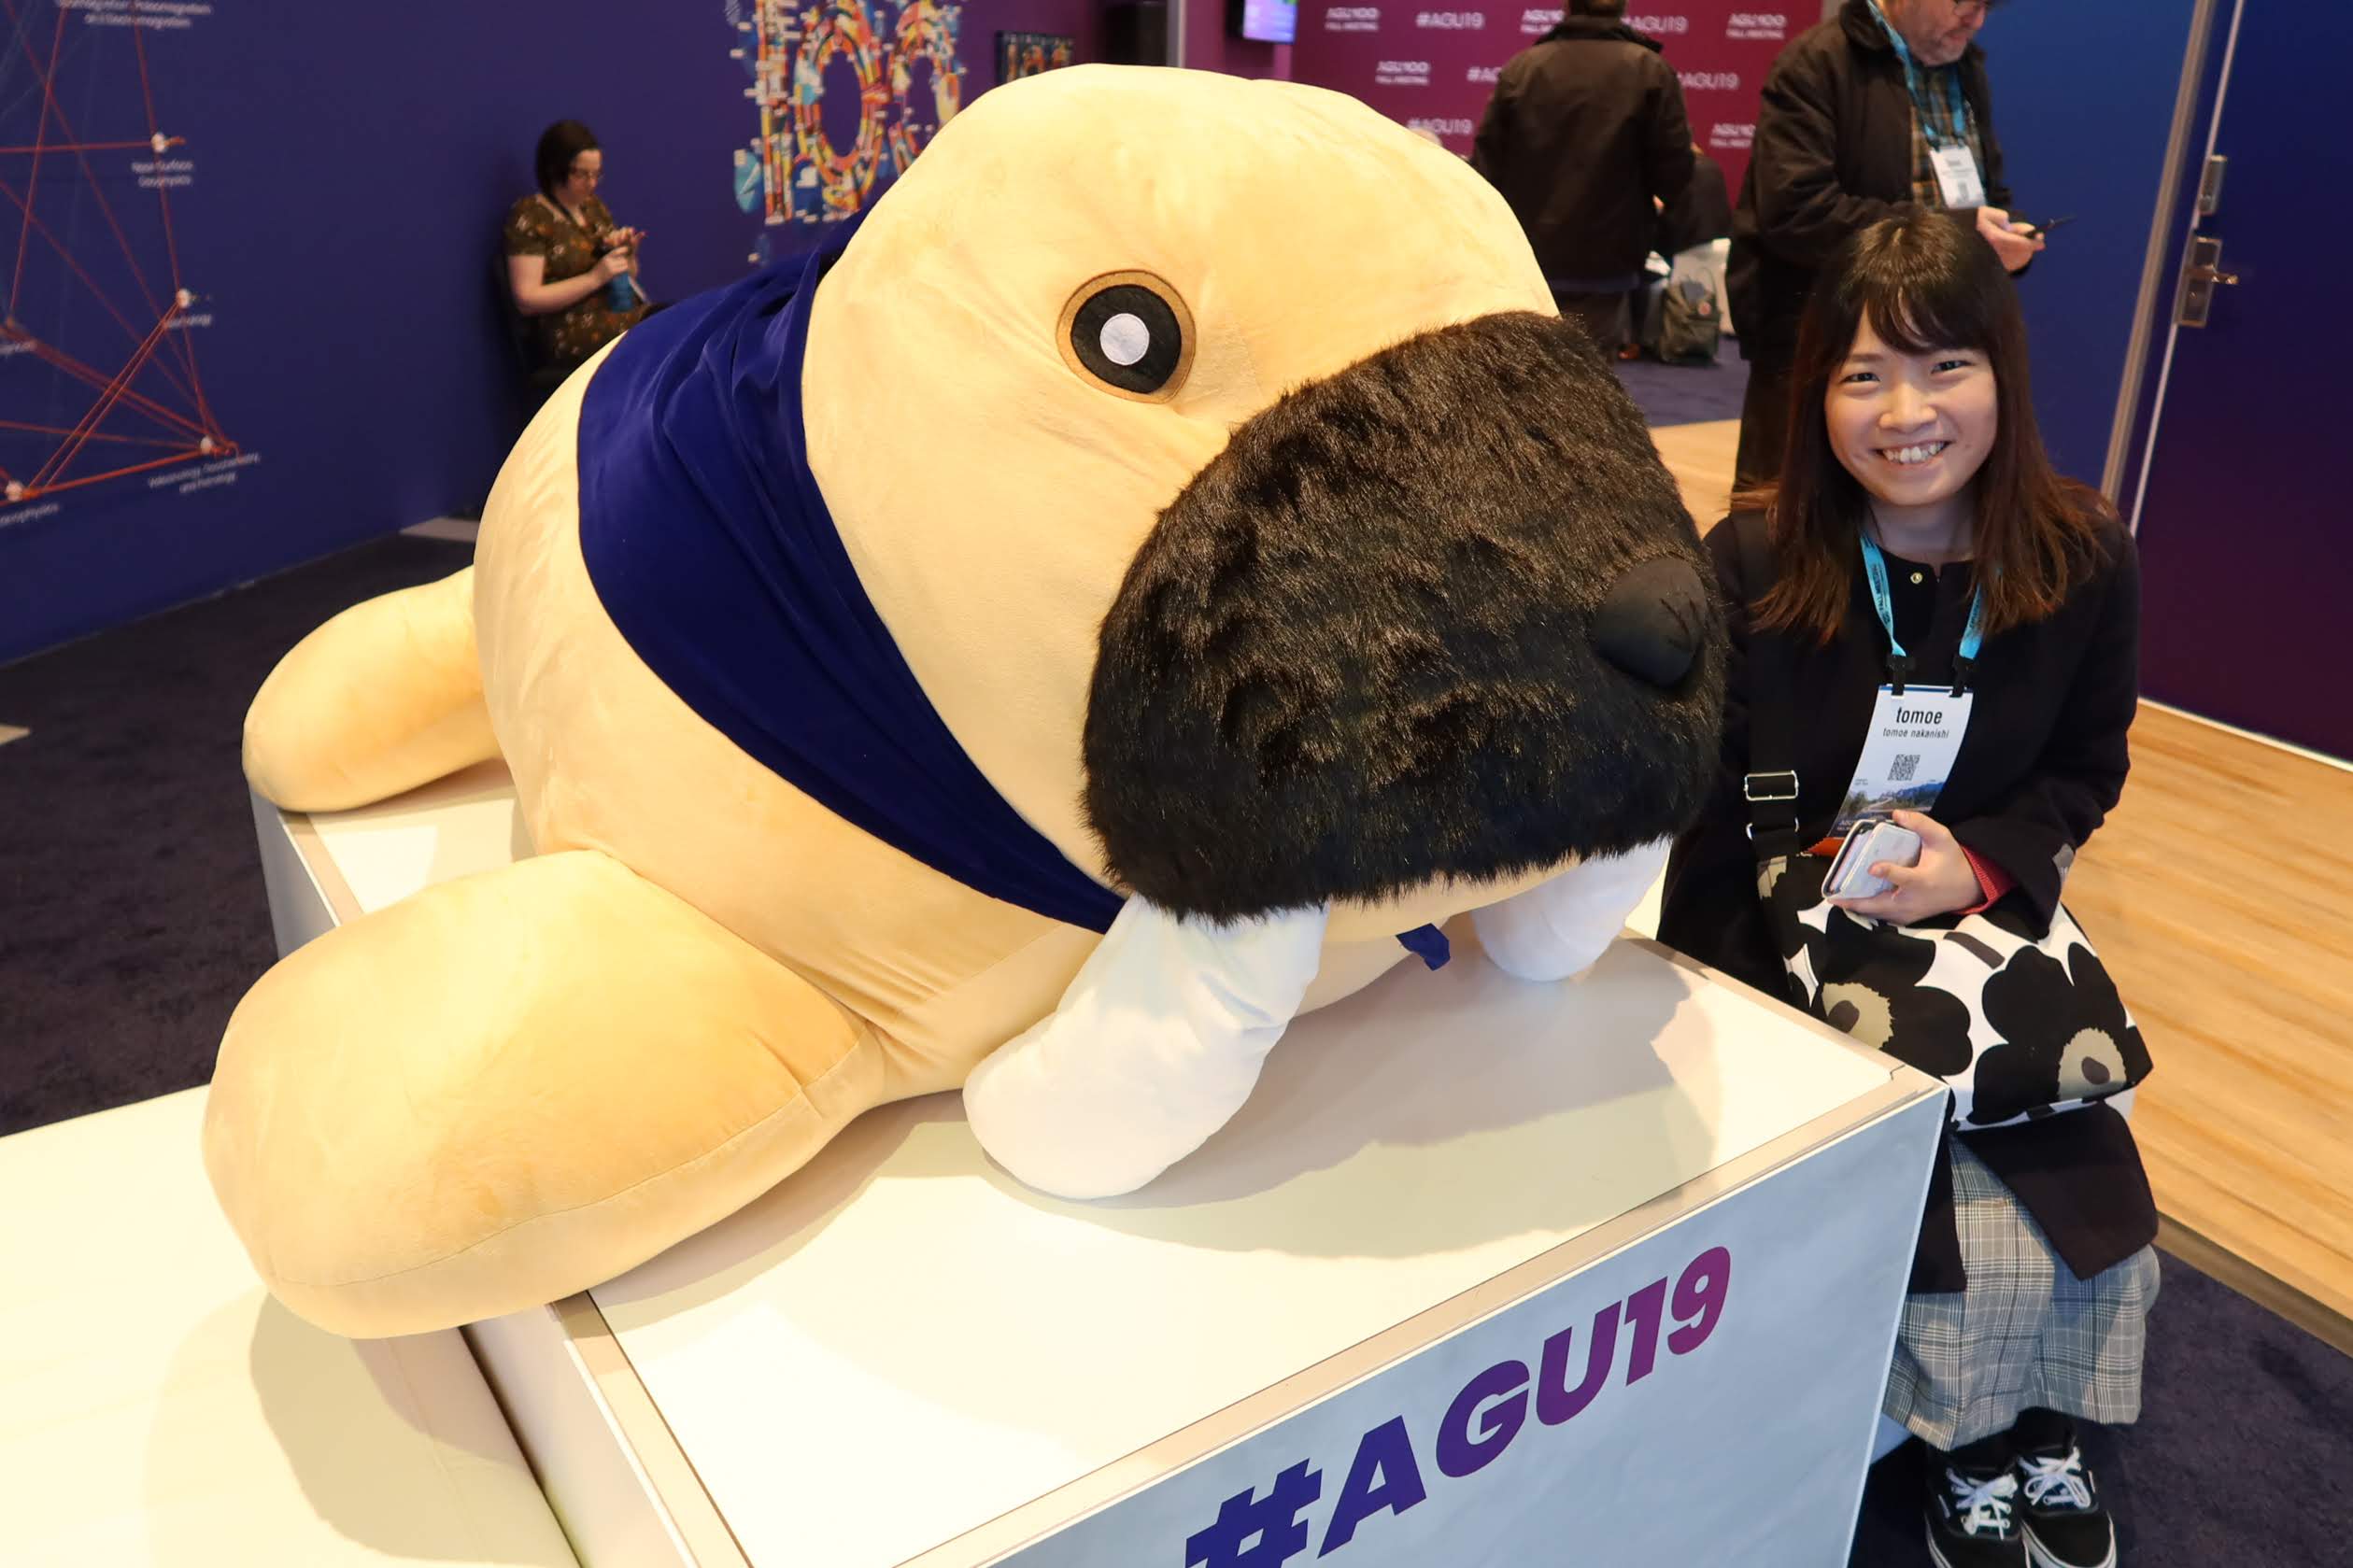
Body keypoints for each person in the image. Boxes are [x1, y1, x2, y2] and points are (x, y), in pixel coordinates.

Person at [1659, 211, 2151, 1568]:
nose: (1904, 413)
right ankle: (1965, 1438)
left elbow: (2081, 768)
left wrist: (1974, 862)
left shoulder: (2078, 557)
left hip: (1972, 918)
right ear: (1812, 392)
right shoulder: (1751, 559)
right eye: (1861, 374)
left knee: (2071, 1162)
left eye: (1943, 367)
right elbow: (1697, 797)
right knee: (1924, 1188)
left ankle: (2038, 1417)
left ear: (2002, 373)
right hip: (1764, 929)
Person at [1728, 0, 2044, 487]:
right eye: (1964, 2)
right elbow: (1797, 212)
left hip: (1941, 332)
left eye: (1987, 6)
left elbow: (1986, 192)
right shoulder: (1818, 63)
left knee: (1918, 503)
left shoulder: (1964, 68)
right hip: (1827, 338)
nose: (1976, 20)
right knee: (1792, 505)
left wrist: (2004, 235)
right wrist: (1957, 229)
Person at [1471, 0, 1696, 353]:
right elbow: (1675, 170)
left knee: (1526, 367)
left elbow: (1486, 170)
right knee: (1593, 369)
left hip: (1528, 254)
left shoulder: (1524, 67)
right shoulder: (1650, 70)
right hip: (1610, 256)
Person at [503, 120, 651, 377]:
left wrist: (627, 254)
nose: (591, 183)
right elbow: (527, 299)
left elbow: (629, 274)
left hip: (613, 312)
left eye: (596, 174)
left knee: (672, 319)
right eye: (582, 174)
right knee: (657, 322)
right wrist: (595, 278)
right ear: (555, 169)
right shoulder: (530, 215)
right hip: (568, 329)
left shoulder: (593, 208)